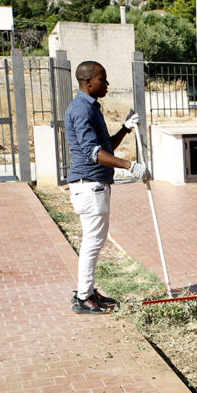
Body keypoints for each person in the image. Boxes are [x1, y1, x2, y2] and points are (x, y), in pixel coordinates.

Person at [65, 60, 150, 314]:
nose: (107, 84)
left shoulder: (90, 107)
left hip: (94, 185)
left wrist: (124, 129)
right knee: (93, 242)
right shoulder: (81, 110)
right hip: (90, 185)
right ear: (88, 82)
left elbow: (104, 147)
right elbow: (93, 153)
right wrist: (130, 166)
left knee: (95, 240)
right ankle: (84, 297)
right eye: (103, 79)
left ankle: (87, 291)